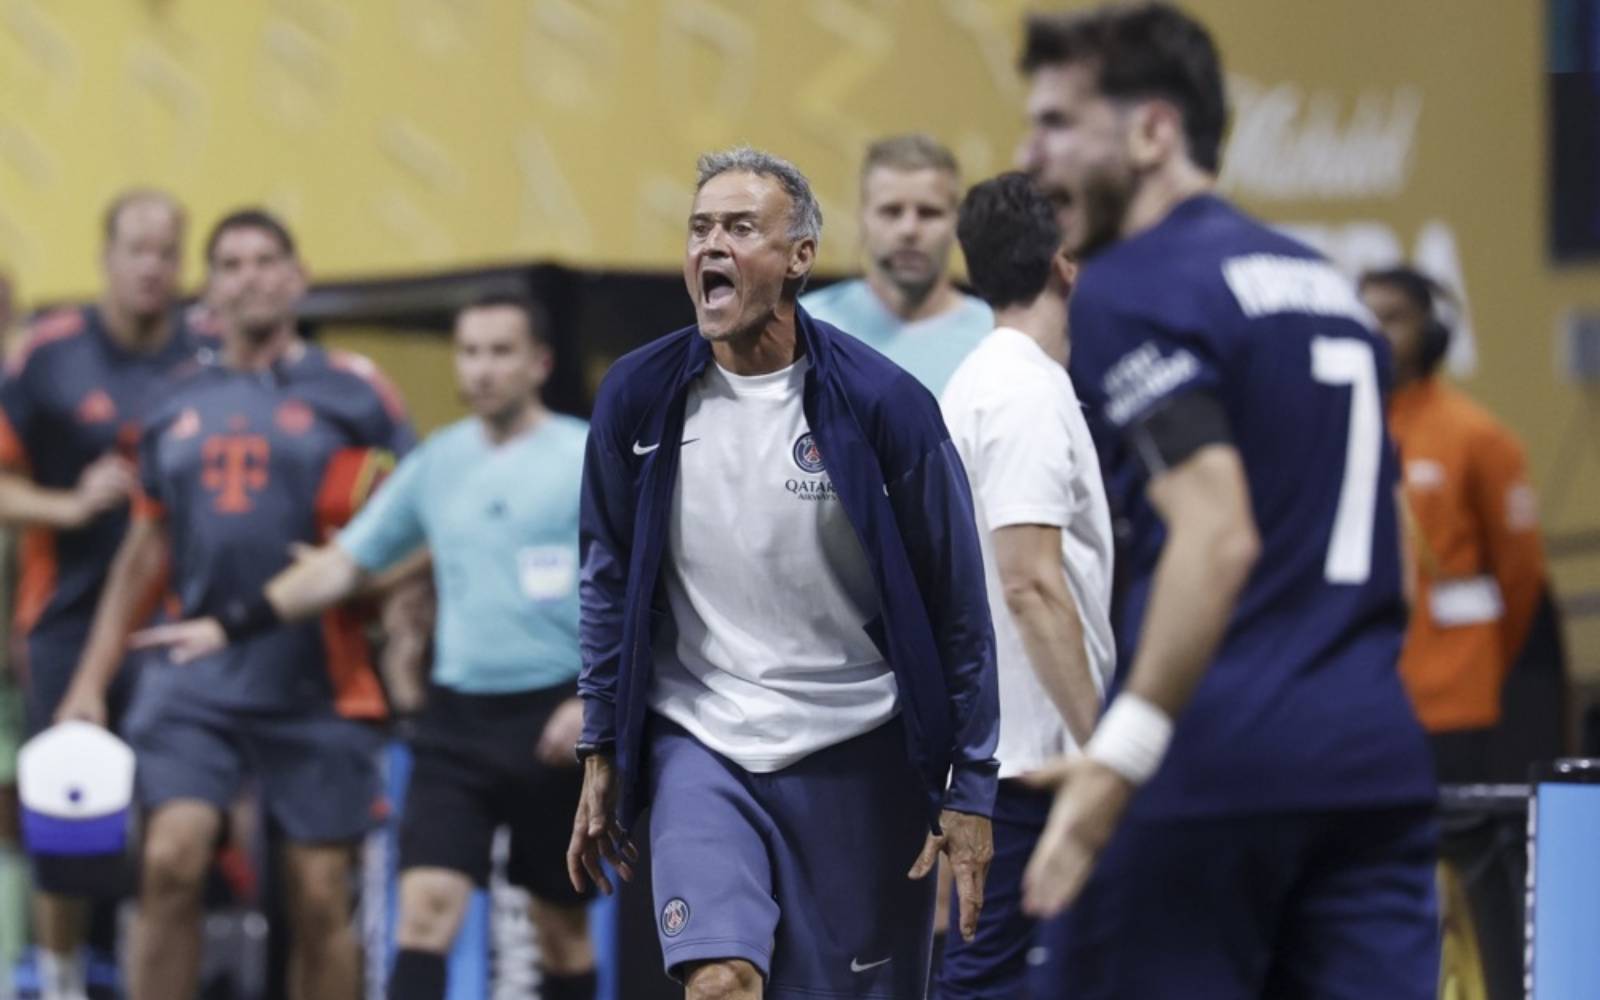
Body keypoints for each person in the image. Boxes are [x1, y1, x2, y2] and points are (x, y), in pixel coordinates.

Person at [1015, 5, 1439, 998]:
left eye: (1057, 123)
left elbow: (1217, 535)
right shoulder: (1325, 286)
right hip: (1372, 767)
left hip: (1210, 770)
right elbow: (1400, 546)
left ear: (1152, 131)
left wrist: (1118, 757)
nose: (1030, 156)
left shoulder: (1132, 286)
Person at [567, 147, 998, 1000]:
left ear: (800, 256)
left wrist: (970, 789)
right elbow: (607, 577)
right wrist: (601, 742)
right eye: (699, 229)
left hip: (860, 752)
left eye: (739, 228)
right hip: (702, 741)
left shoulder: (887, 406)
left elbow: (958, 605)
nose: (711, 246)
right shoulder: (637, 395)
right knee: (719, 980)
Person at [135, 291, 600, 1000]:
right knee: (425, 912)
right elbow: (344, 564)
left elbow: (639, 586)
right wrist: (226, 625)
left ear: (538, 362)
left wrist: (593, 700)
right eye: (470, 352)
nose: (482, 369)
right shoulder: (439, 461)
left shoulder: (585, 453)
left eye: (501, 352)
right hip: (456, 724)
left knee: (559, 929)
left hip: (556, 717)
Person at [55, 208, 416, 1000]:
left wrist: (382, 599)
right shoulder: (171, 401)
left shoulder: (357, 392)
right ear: (209, 289)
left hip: (318, 680)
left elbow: (417, 523)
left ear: (298, 276)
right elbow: (143, 550)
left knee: (319, 896)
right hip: (194, 677)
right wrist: (88, 683)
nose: (250, 277)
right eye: (231, 264)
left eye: (265, 260)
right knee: (170, 860)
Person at [0, 191, 201, 1000]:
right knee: (64, 819)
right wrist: (69, 505)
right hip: (63, 621)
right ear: (106, 257)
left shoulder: (207, 353)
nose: (152, 266)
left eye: (166, 251)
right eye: (137, 249)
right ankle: (59, 979)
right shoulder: (47, 355)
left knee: (168, 825)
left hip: (171, 624)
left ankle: (141, 972)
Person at [935, 173, 1115, 998]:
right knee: (990, 984)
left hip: (1019, 756)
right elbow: (1030, 586)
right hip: (1031, 766)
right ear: (1065, 263)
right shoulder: (1020, 394)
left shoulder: (1003, 381)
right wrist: (1104, 753)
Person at [1358, 266, 1546, 784]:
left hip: (1452, 696)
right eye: (1365, 318)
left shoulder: (1476, 435)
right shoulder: (1344, 428)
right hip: (1363, 694)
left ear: (1431, 330)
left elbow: (1519, 573)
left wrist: (1477, 660)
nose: (1376, 332)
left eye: (1392, 318)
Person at [801, 134, 993, 395]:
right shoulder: (806, 329)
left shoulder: (993, 337)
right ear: (863, 217)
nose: (909, 229)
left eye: (929, 212)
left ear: (957, 221)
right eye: (891, 211)